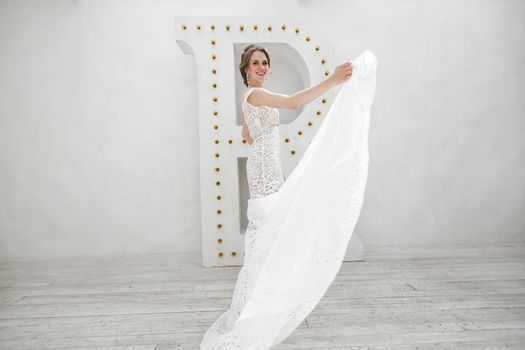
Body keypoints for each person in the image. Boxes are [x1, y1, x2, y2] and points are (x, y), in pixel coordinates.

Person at [200, 44, 377, 349]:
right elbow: (294, 102)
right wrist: (332, 81)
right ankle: (259, 308)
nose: (262, 67)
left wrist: (257, 132)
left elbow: (247, 135)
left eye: (265, 63)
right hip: (265, 172)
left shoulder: (253, 100)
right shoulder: (254, 94)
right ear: (245, 69)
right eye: (256, 63)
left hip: (264, 167)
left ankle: (262, 303)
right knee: (271, 230)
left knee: (270, 233)